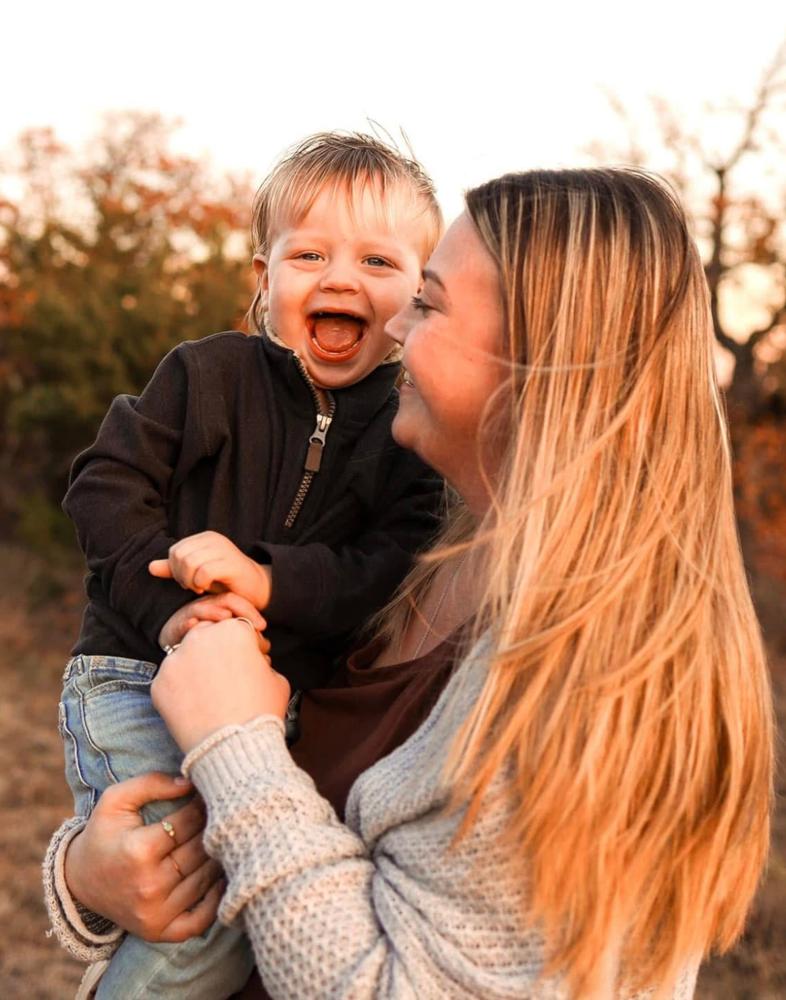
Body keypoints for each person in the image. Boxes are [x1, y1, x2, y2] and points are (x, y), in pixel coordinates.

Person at [45, 169, 773, 1000]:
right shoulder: (428, 554)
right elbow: (228, 848)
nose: (393, 321)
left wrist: (234, 740)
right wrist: (84, 879)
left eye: (425, 302)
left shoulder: (594, 678)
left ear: (539, 360)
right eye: (311, 254)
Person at [55, 132, 444, 997]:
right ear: (264, 280)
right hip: (137, 673)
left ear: (420, 296)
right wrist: (171, 609)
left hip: (272, 711)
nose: (339, 278)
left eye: (378, 260)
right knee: (198, 920)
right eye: (309, 255)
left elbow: (387, 566)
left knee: (239, 910)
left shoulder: (407, 435)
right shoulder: (208, 374)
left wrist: (267, 579)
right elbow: (104, 485)